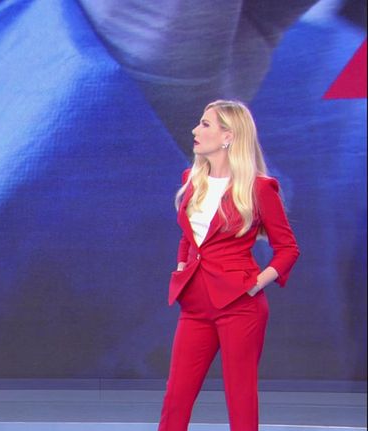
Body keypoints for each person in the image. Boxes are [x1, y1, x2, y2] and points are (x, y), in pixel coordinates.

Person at [159, 100, 299, 430]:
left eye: (205, 124)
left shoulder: (259, 188)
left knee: (240, 396)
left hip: (239, 306)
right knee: (176, 396)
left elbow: (288, 249)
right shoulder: (192, 179)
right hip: (195, 305)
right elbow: (190, 237)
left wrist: (256, 283)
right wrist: (181, 266)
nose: (195, 130)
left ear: (228, 136)